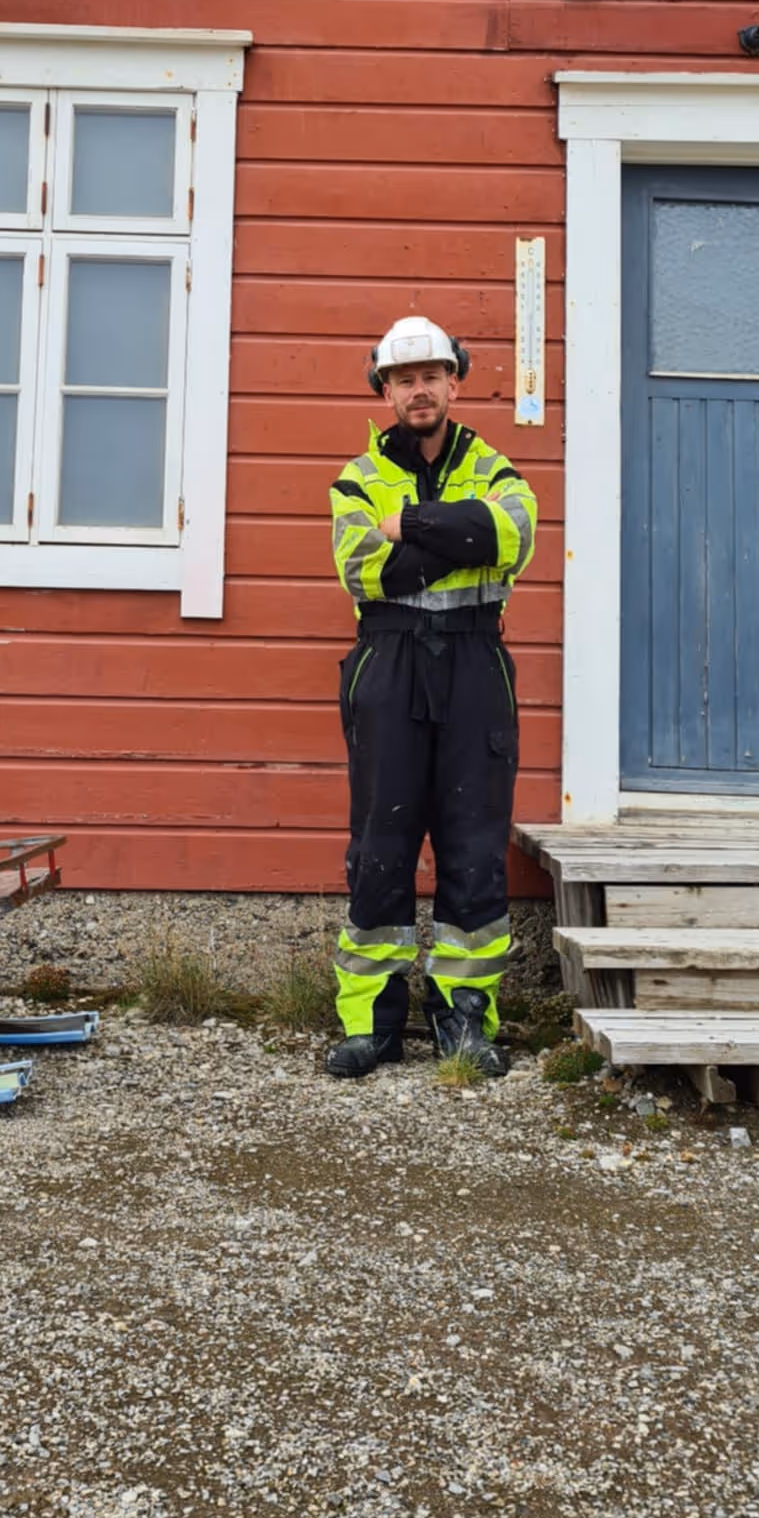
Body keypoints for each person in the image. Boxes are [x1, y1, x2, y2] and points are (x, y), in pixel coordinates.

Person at [326, 317, 538, 1080]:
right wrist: (456, 539)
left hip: (477, 668)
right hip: (387, 663)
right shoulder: (354, 480)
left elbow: (509, 535)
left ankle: (465, 1018)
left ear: (456, 381)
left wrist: (409, 526)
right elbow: (366, 572)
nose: (419, 388)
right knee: (379, 847)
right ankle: (371, 1025)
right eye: (403, 377)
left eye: (432, 374)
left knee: (475, 847)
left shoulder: (497, 467)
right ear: (383, 389)